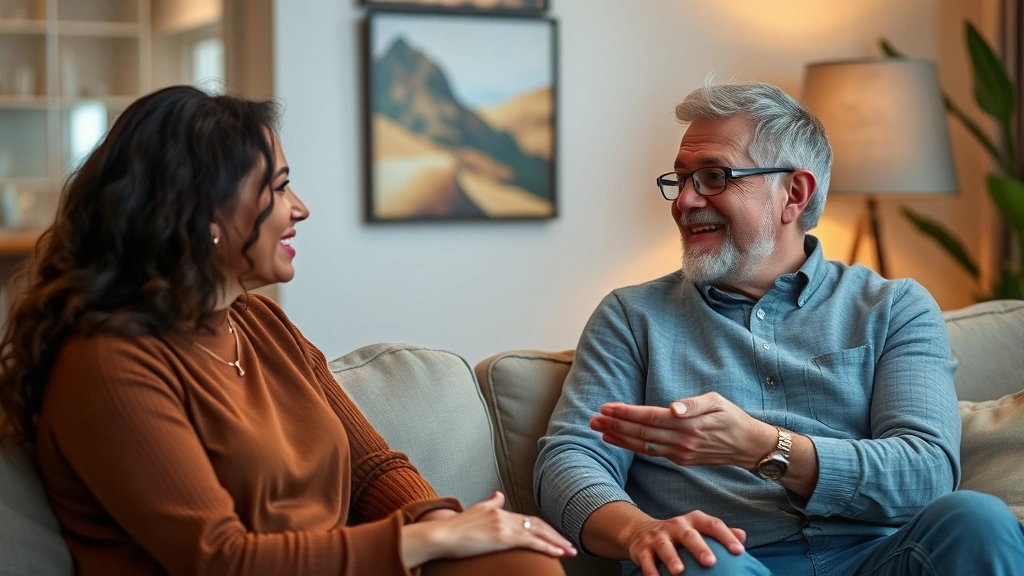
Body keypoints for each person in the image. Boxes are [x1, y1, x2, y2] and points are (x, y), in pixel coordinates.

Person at [0, 85, 575, 575]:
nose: (298, 209)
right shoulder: (108, 363)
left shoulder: (260, 322)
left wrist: (448, 523)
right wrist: (426, 542)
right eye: (275, 189)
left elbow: (372, 466)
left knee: (521, 560)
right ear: (202, 216)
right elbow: (220, 559)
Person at [534, 80, 1024, 576]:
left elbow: (927, 472)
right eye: (680, 179)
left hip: (878, 560)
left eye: (713, 177)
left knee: (977, 519)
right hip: (722, 560)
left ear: (794, 193)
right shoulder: (631, 317)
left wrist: (764, 447)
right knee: (702, 561)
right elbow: (570, 461)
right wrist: (642, 530)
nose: (683, 202)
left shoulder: (894, 307)